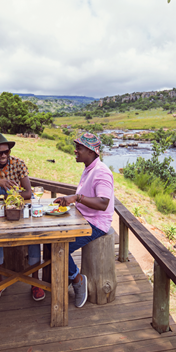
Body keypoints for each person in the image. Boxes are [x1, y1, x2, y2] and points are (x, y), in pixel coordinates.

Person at [0, 133, 45, 302]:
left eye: (6, 151)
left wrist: (13, 194)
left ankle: (35, 281)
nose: (3, 155)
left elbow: (28, 193)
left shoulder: (18, 164)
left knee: (35, 235)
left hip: (19, 209)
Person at [54, 132, 114, 308]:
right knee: (53, 238)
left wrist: (76, 198)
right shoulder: (89, 168)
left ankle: (77, 279)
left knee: (60, 248)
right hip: (82, 217)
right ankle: (65, 276)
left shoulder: (101, 172)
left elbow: (103, 203)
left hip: (95, 223)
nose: (75, 151)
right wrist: (70, 200)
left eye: (79, 148)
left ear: (90, 151)